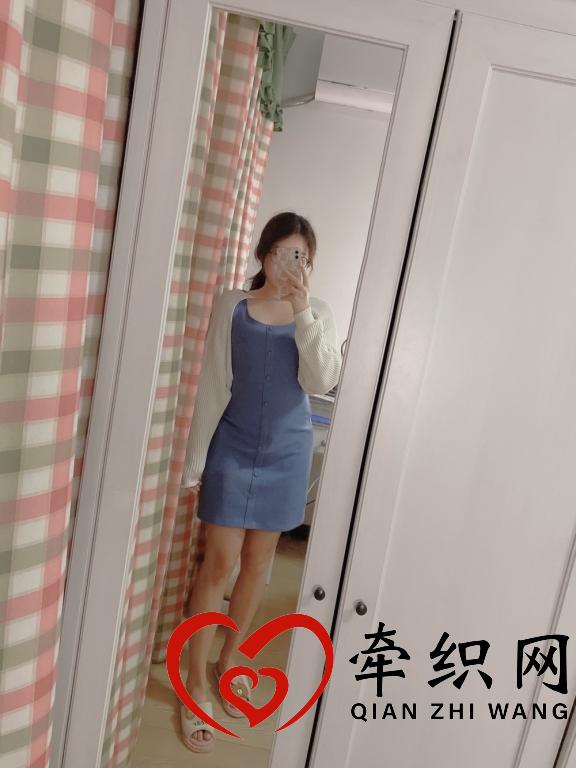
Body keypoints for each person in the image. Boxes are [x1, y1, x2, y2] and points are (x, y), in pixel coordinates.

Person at [179, 211, 342, 752]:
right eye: (283, 253)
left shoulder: (317, 313)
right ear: (264, 254)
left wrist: (302, 312)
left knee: (256, 566)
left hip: (287, 454)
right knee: (217, 564)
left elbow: (322, 379)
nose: (292, 265)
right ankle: (195, 684)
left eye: (303, 258)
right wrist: (194, 463)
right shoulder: (232, 304)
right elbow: (212, 385)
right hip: (233, 447)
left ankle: (230, 663)